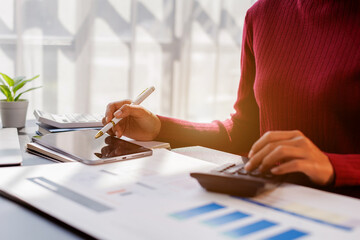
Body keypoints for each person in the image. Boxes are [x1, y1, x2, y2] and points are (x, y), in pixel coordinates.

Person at [103, 0, 360, 187]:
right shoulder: (262, 14)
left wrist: (333, 165)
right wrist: (160, 128)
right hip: (272, 201)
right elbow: (244, 133)